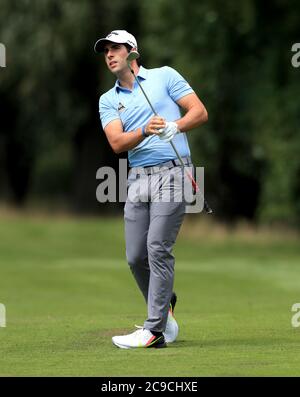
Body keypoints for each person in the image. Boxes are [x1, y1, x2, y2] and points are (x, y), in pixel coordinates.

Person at [94, 30, 208, 349]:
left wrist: (176, 126)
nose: (109, 55)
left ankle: (154, 330)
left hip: (174, 172)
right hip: (136, 179)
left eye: (115, 48)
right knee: (134, 256)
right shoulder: (108, 99)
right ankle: (164, 302)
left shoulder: (165, 77)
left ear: (132, 52)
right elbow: (117, 143)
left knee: (157, 246)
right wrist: (145, 130)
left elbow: (199, 112)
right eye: (105, 51)